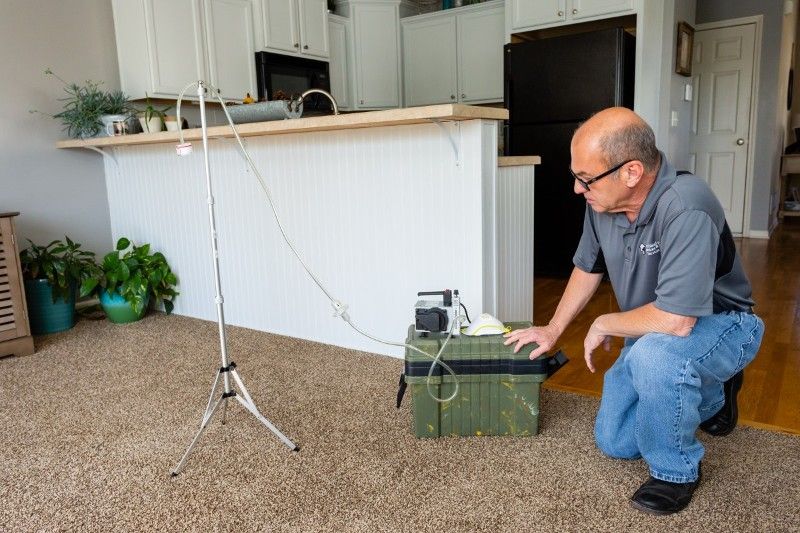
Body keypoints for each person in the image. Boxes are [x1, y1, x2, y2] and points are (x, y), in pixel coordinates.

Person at [504, 107, 764, 515]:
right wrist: (553, 329)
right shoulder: (601, 203)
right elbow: (587, 267)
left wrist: (605, 322)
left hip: (723, 324)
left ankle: (675, 473)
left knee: (653, 357)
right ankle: (715, 393)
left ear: (631, 172)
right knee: (616, 441)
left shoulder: (687, 206)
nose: (577, 189)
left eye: (585, 178)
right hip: (652, 330)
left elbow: (677, 321)